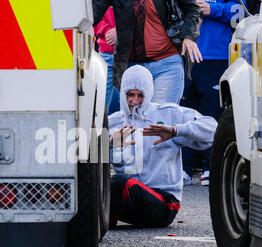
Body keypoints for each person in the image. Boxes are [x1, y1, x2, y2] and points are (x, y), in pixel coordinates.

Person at [109, 65, 217, 227]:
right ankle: (98, 223)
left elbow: (213, 128)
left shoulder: (167, 113)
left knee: (119, 183)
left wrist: (176, 131)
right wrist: (109, 144)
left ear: (149, 94)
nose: (135, 101)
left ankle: (100, 220)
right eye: (130, 95)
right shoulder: (114, 122)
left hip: (163, 202)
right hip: (130, 199)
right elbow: (82, 152)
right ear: (123, 93)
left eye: (140, 95)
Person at [181, 0, 247, 186]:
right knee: (186, 111)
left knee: (212, 111)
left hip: (217, 56)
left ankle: (210, 166)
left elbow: (240, 14)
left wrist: (213, 9)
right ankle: (184, 167)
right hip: (185, 53)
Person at [93, 0, 203, 105]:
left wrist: (189, 36)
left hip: (167, 64)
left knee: (160, 118)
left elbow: (193, 8)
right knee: (132, 120)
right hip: (132, 66)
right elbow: (92, 13)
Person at [94, 7, 121, 115]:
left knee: (130, 104)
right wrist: (106, 30)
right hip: (107, 53)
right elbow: (93, 14)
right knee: (100, 107)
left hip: (132, 55)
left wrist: (121, 30)